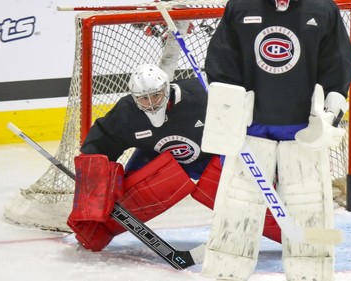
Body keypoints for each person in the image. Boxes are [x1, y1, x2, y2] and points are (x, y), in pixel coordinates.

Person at [200, 0, 351, 281]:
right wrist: (230, 106)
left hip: (302, 129)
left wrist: (329, 114)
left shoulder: (323, 9)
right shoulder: (240, 7)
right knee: (238, 203)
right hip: (252, 127)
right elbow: (222, 61)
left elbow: (338, 64)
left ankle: (311, 272)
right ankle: (224, 270)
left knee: (308, 205)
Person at [66, 63, 283, 253]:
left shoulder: (202, 96)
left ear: (167, 90)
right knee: (127, 199)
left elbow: (249, 121)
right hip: (156, 159)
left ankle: (293, 233)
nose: (150, 103)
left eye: (155, 96)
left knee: (242, 197)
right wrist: (94, 182)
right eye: (143, 98)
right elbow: (100, 143)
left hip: (211, 158)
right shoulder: (127, 112)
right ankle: (96, 230)